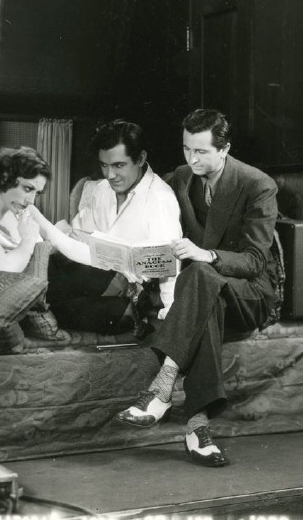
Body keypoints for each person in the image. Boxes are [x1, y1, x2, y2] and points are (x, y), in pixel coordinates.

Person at [116, 109, 280, 468]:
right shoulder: (180, 178)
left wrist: (205, 254)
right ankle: (197, 426)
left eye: (202, 151)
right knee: (202, 293)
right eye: (187, 149)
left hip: (248, 294)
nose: (192, 159)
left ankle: (163, 385)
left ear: (225, 149)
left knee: (201, 274)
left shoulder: (258, 185)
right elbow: (143, 187)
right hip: (203, 295)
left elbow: (254, 261)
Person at [44, 119, 182, 334]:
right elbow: (80, 234)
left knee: (77, 304)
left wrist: (170, 312)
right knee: (51, 266)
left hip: (133, 288)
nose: (110, 175)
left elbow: (169, 266)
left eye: (118, 165)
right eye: (104, 165)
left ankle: (122, 314)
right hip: (92, 275)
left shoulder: (160, 198)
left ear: (141, 158)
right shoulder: (101, 189)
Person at [0, 146, 78, 353]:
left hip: (60, 281)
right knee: (115, 310)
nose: (31, 200)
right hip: (46, 296)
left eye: (37, 193)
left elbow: (58, 240)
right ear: (3, 179)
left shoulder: (22, 208)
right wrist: (28, 240)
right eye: (28, 189)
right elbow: (8, 269)